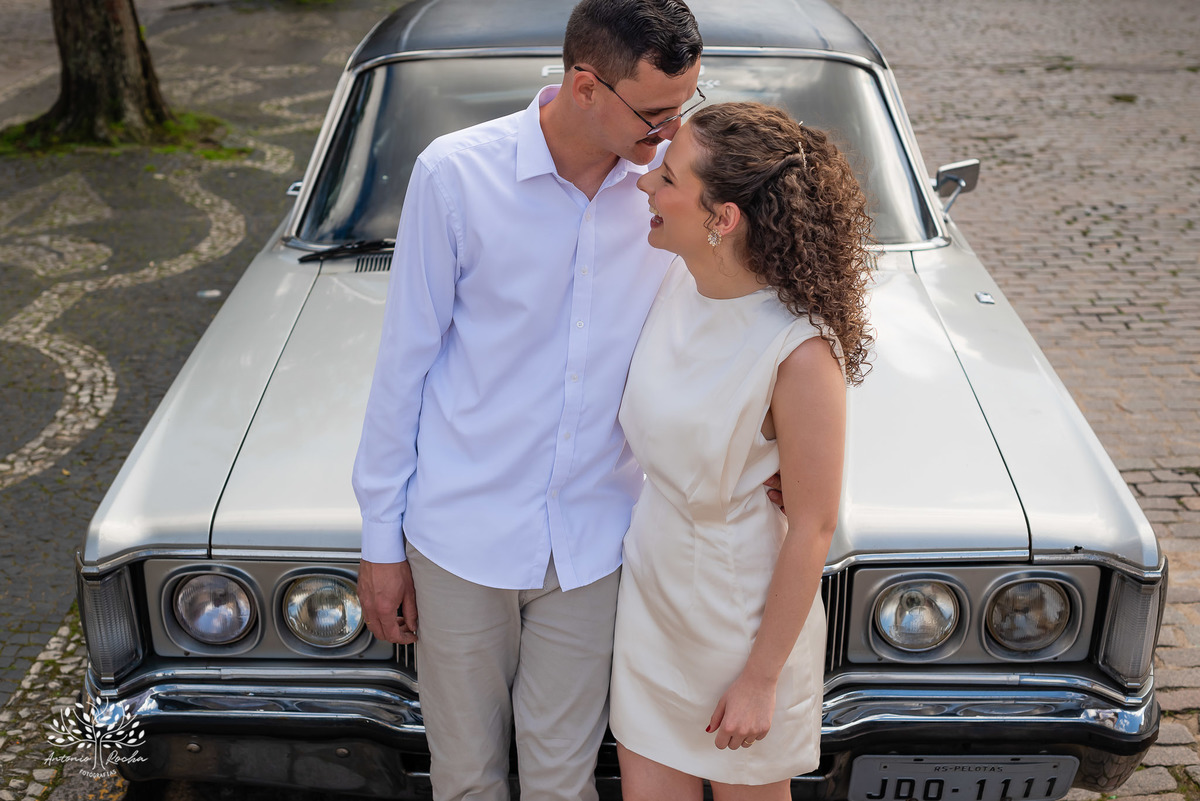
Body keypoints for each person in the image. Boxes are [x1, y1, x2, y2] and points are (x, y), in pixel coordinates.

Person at [350, 1, 703, 799]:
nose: (672, 131)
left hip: (596, 539)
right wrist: (380, 541)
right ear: (585, 86)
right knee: (466, 778)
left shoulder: (671, 191)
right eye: (655, 113)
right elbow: (404, 363)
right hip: (459, 534)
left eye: (685, 106)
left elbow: (722, 322)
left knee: (563, 781)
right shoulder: (454, 175)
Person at [609, 102, 874, 800]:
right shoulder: (676, 282)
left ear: (722, 218)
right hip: (652, 593)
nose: (645, 184)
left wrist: (760, 678)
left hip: (742, 623)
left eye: (668, 178)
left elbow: (814, 525)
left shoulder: (800, 350)